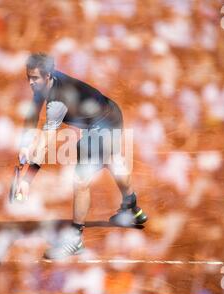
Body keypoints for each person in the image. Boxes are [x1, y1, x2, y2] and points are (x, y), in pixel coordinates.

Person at [17, 53, 148, 259]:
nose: (31, 82)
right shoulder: (47, 80)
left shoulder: (57, 103)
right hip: (112, 111)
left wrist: (26, 180)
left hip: (101, 123)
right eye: (29, 77)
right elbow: (33, 111)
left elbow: (45, 145)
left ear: (48, 76)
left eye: (35, 78)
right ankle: (131, 207)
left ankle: (75, 239)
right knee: (113, 161)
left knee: (80, 180)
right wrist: (25, 144)